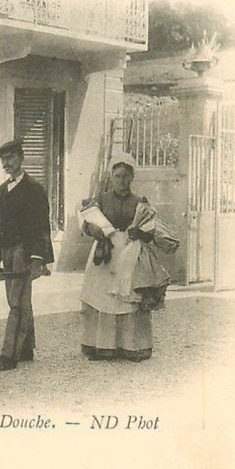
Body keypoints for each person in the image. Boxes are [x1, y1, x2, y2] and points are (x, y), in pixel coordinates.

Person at [79, 153, 176, 362]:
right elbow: (86, 222)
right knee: (102, 298)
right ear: (111, 177)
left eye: (125, 176)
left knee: (130, 299)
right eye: (117, 176)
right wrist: (92, 227)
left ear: (132, 177)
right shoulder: (102, 200)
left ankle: (132, 346)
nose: (121, 181)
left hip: (131, 254)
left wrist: (140, 233)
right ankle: (103, 346)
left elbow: (152, 230)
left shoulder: (140, 203)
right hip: (105, 255)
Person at [0, 138, 54, 372]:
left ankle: (8, 355)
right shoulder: (3, 190)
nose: (7, 162)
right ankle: (26, 348)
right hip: (7, 252)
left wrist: (37, 259)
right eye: (4, 159)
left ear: (21, 158)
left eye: (11, 157)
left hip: (24, 253)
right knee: (20, 300)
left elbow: (42, 227)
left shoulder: (34, 189)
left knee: (17, 303)